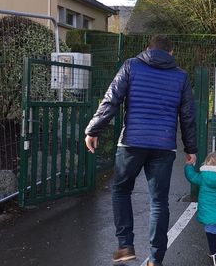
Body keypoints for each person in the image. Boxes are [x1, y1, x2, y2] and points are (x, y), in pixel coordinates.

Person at [84, 34, 197, 266]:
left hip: (132, 143)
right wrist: (191, 148)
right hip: (163, 146)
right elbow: (187, 116)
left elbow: (111, 100)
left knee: (121, 191)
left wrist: (93, 130)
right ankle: (156, 259)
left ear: (148, 49)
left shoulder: (131, 66)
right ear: (171, 53)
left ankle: (125, 246)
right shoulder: (181, 76)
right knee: (159, 202)